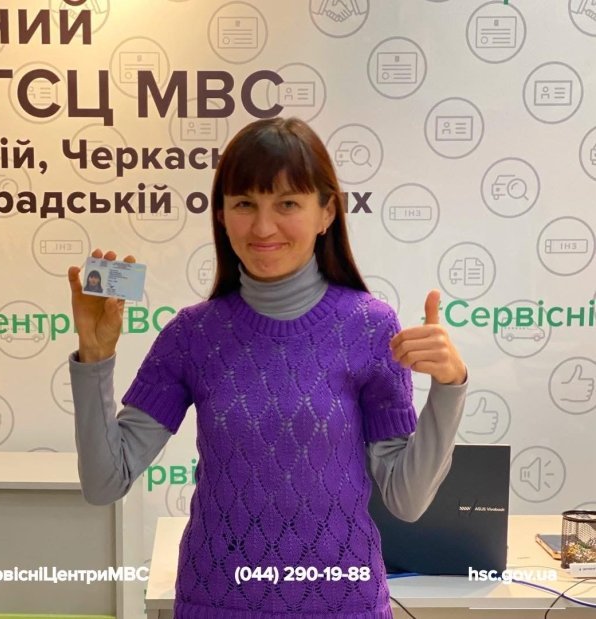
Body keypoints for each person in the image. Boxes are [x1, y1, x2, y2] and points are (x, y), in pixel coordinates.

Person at [67, 116, 468, 619]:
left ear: (326, 212)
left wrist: (450, 387)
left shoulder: (370, 326)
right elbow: (105, 482)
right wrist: (95, 357)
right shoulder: (193, 335)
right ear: (221, 215)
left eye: (287, 204)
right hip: (216, 603)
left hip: (342, 604)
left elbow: (407, 499)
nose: (262, 227)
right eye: (244, 204)